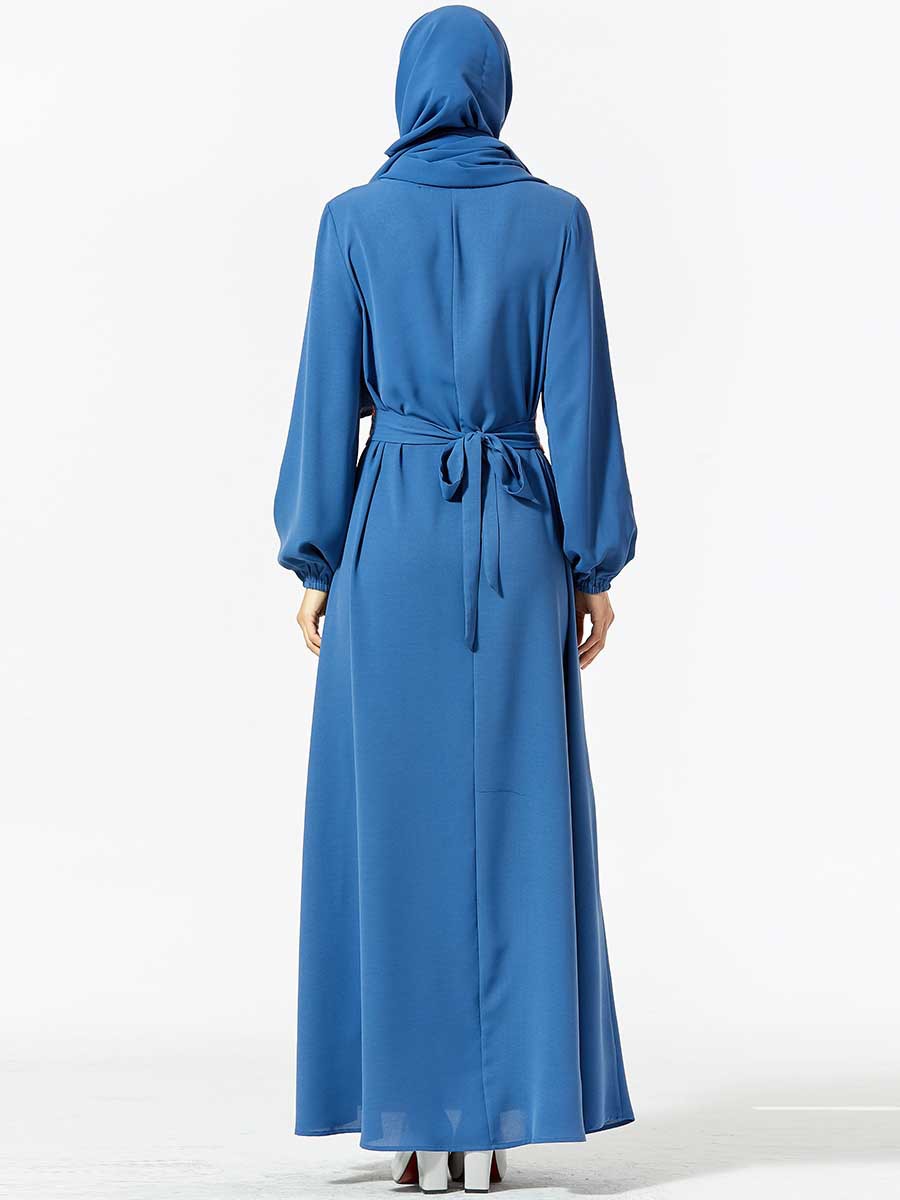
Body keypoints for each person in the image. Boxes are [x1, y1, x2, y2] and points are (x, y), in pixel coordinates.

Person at [274, 6, 637, 1193]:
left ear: (408, 89)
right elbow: (579, 401)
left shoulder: (354, 220)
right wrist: (592, 562)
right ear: (496, 89)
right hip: (518, 535)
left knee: (394, 825)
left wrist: (315, 556)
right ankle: (497, 1116)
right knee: (516, 823)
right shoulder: (556, 219)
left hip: (391, 537)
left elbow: (326, 398)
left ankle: (413, 1122)